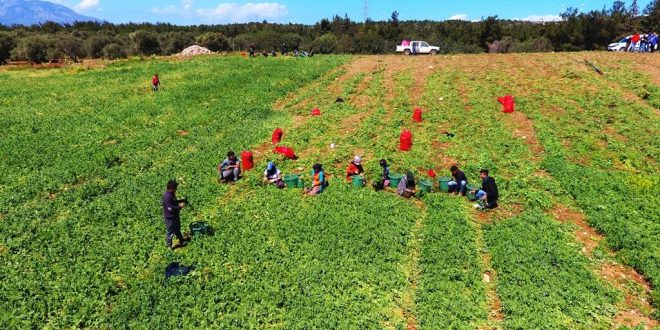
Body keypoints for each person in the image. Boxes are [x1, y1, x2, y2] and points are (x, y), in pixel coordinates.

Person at [162, 180, 187, 249]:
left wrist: (181, 200)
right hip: (170, 217)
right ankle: (169, 246)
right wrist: (180, 206)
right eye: (175, 188)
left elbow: (174, 202)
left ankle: (181, 240)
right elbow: (171, 208)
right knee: (170, 232)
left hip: (175, 216)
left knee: (177, 229)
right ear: (171, 188)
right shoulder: (167, 196)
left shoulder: (172, 193)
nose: (176, 189)